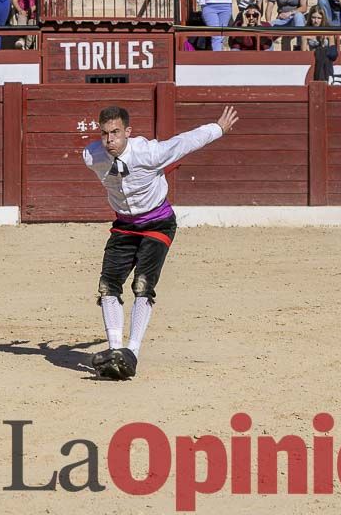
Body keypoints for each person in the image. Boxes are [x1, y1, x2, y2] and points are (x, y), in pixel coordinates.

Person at [83, 104, 239, 380]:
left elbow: (185, 142)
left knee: (142, 285)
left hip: (157, 222)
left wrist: (217, 129)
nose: (110, 140)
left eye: (116, 133)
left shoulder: (148, 153)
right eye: (105, 133)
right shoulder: (92, 155)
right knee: (108, 285)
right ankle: (115, 350)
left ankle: (131, 352)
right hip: (124, 226)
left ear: (128, 132)